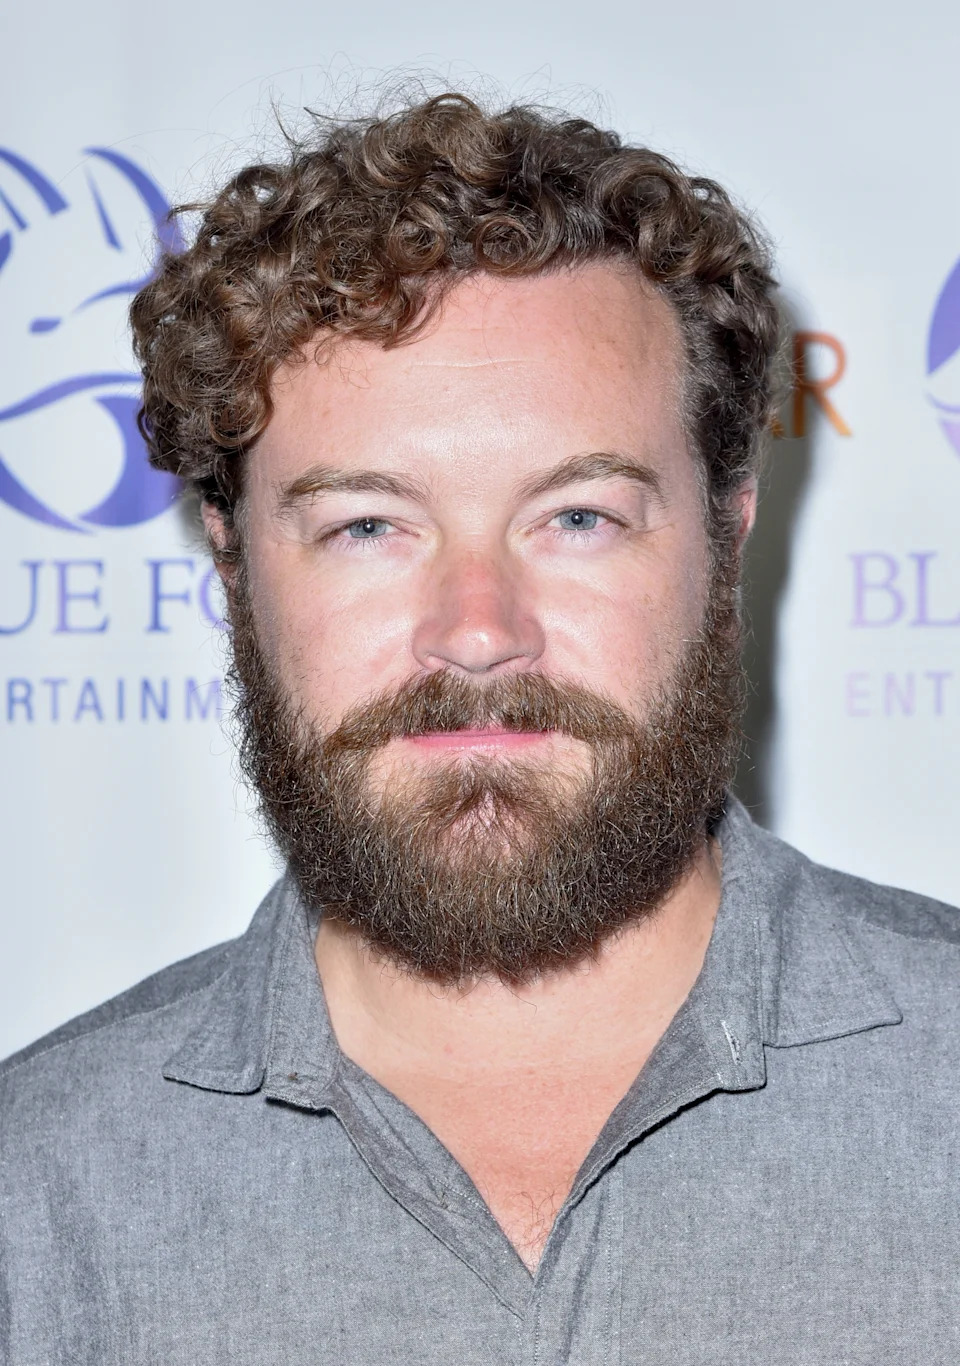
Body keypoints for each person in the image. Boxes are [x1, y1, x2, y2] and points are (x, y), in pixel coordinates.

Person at [1, 92, 957, 1365]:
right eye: (366, 527)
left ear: (727, 541)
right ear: (233, 572)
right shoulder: (37, 1199)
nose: (476, 629)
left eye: (578, 517)